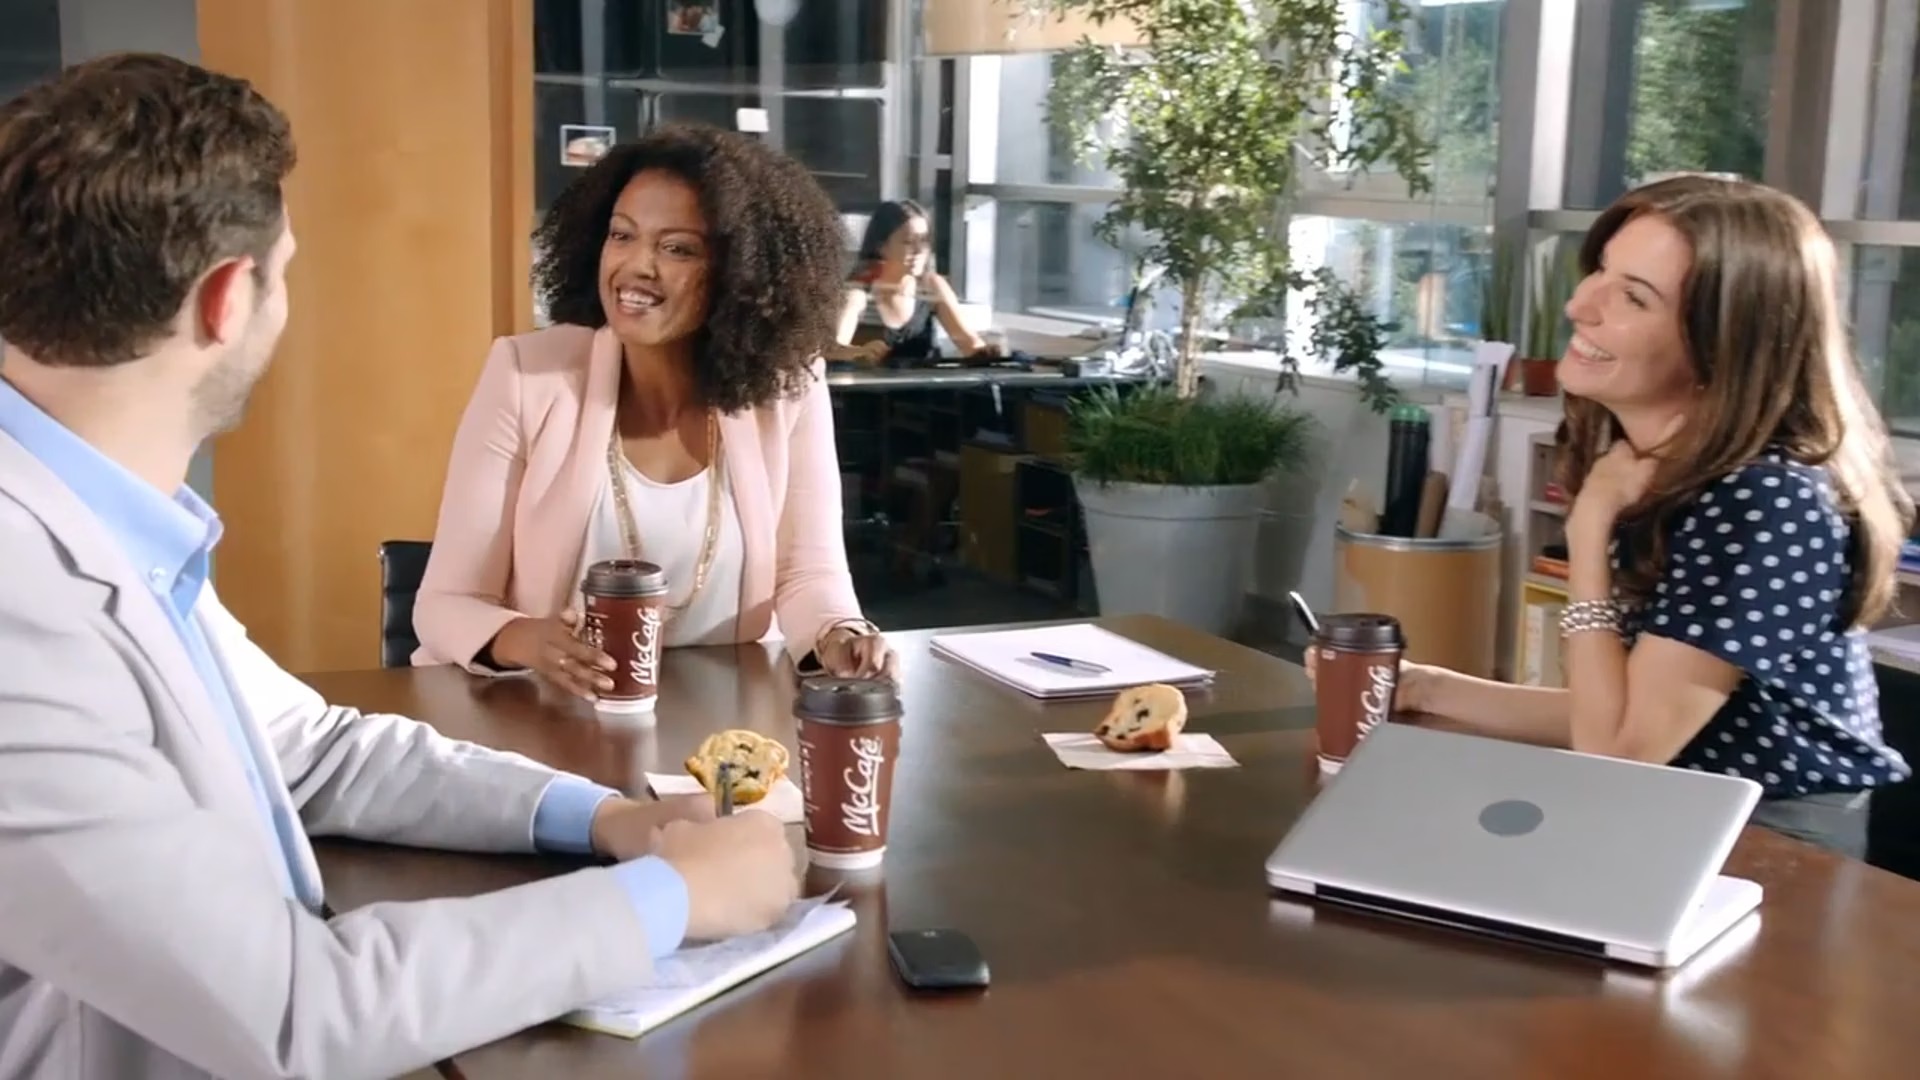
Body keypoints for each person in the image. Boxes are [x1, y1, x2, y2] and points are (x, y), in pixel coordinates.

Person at [0, 54, 797, 1080]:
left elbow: (317, 751)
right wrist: (675, 898)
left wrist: (611, 821)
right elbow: (297, 1013)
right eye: (287, 272)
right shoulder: (20, 605)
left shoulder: (107, 529)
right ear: (228, 299)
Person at [1321, 176, 1913, 859]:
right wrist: (1428, 688)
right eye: (1601, 271)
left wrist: (1589, 529)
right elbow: (1624, 712)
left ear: (1722, 343)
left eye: (1634, 297)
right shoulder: (1659, 468)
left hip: (1777, 843)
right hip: (1678, 803)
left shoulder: (1767, 500)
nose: (1580, 305)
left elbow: (1619, 751)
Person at [412, 124, 898, 697]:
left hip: (724, 721)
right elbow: (445, 604)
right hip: (544, 715)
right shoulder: (527, 376)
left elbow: (808, 572)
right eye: (622, 235)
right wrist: (526, 640)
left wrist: (840, 634)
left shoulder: (788, 385)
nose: (637, 265)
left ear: (742, 272)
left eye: (677, 248)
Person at [827, 199, 999, 366]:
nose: (919, 251)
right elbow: (831, 349)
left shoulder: (931, 286)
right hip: (872, 385)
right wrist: (860, 352)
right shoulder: (858, 292)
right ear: (881, 247)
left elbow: (969, 343)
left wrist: (989, 353)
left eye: (923, 241)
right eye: (908, 242)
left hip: (924, 384)